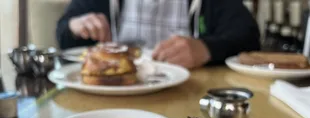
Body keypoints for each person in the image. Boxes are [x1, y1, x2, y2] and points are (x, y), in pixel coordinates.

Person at [56, 0, 260, 69]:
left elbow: (249, 37)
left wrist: (207, 48)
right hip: (111, 97)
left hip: (189, 94)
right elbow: (64, 35)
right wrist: (75, 25)